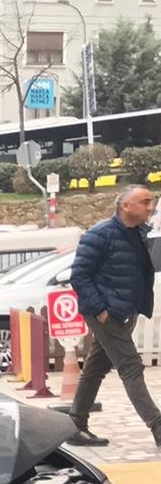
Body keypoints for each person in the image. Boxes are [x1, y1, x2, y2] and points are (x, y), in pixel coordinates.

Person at [67, 184, 161, 448]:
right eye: (144, 201)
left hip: (123, 312)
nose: (150, 207)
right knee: (131, 366)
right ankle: (157, 424)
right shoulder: (100, 234)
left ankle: (76, 424)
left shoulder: (139, 233)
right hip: (105, 314)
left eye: (151, 201)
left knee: (96, 368)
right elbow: (80, 276)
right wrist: (100, 311)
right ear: (125, 205)